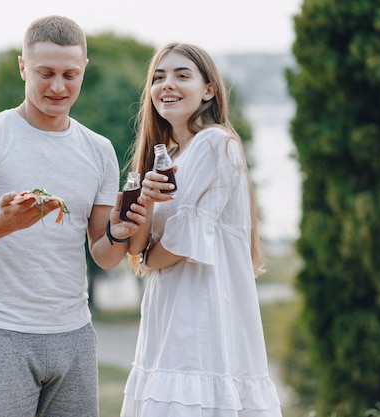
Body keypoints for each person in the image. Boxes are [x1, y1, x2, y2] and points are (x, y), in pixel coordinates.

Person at [0, 15, 144, 417]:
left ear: (84, 71)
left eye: (70, 74)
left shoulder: (98, 150)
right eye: (45, 73)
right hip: (0, 336)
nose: (58, 86)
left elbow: (104, 254)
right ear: (23, 67)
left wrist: (122, 230)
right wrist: (2, 223)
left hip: (75, 336)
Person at [120, 43, 283, 417]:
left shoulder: (215, 142)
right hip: (169, 312)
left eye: (181, 75)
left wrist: (150, 254)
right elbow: (137, 249)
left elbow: (173, 248)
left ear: (208, 90)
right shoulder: (171, 155)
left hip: (201, 314)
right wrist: (144, 197)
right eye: (158, 78)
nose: (167, 85)